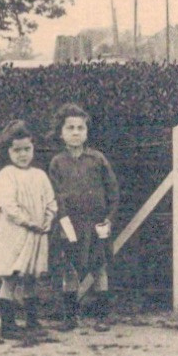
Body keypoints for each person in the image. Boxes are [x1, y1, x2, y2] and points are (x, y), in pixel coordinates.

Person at [47, 103, 120, 329]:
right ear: (61, 133)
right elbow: (54, 195)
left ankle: (102, 316)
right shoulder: (57, 163)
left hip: (96, 223)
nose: (76, 132)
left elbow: (113, 191)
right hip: (70, 224)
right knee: (70, 267)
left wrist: (109, 218)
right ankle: (70, 317)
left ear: (87, 132)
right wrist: (63, 222)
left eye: (80, 128)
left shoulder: (97, 159)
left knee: (99, 267)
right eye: (70, 128)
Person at [0, 120, 57, 341]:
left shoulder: (39, 175)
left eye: (27, 149)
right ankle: (7, 325)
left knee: (30, 279)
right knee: (10, 278)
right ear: (8, 151)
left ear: (33, 148)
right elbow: (9, 207)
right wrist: (29, 222)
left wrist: (48, 219)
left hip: (35, 235)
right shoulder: (5, 176)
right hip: (14, 235)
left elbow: (51, 201)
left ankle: (32, 321)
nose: (22, 154)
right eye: (17, 150)